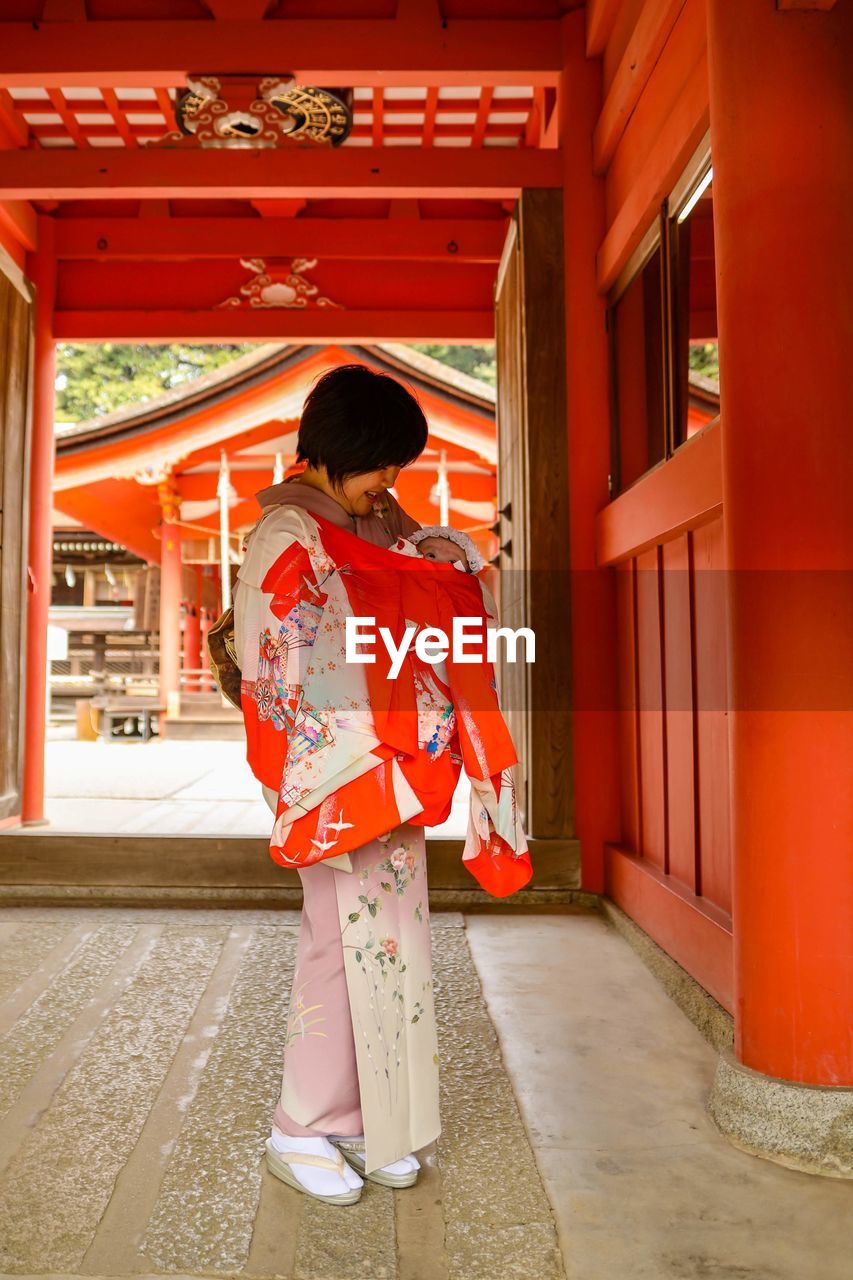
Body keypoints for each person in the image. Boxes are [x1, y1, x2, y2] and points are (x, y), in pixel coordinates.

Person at [234, 364, 530, 1208]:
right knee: (341, 938)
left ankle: (366, 1118)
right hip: (334, 764)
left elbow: (430, 581)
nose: (388, 486)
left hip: (387, 763)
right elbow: (279, 667)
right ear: (333, 452)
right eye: (379, 467)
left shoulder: (372, 520)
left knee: (388, 937)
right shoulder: (286, 533)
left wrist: (442, 559)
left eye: (396, 470)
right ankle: (300, 1126)